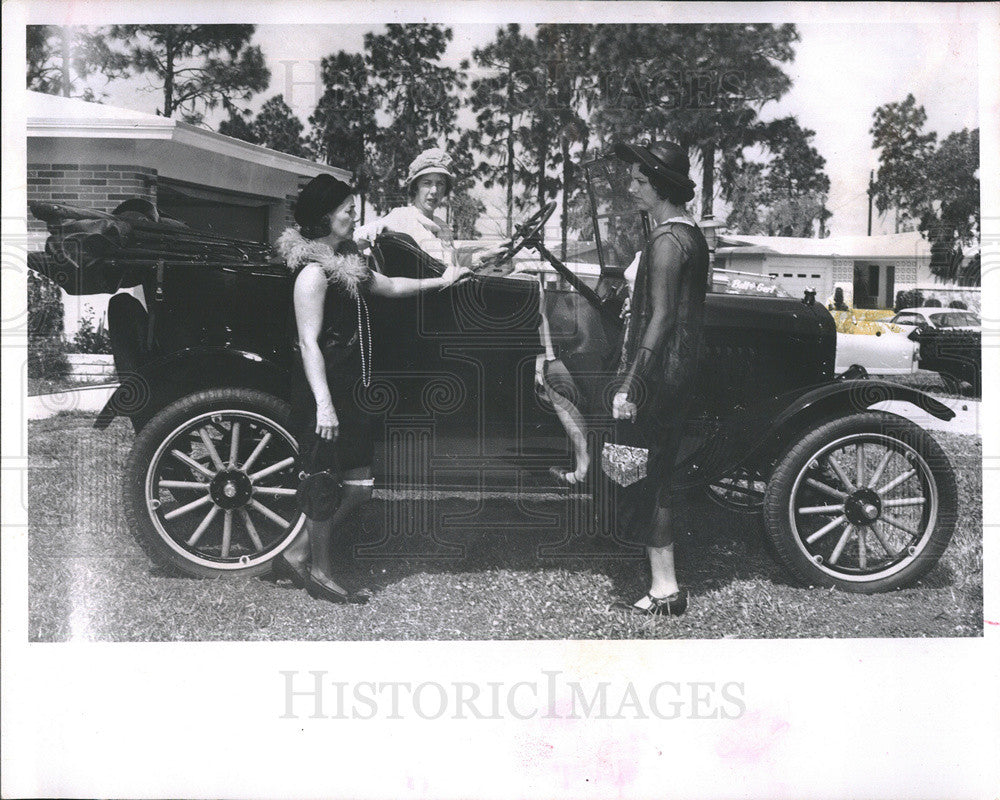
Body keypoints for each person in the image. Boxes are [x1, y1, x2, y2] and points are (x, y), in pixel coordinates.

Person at [274, 174, 469, 603]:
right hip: (326, 392)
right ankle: (321, 573)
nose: (353, 216)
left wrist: (442, 281)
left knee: (359, 489)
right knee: (326, 481)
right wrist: (324, 405)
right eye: (347, 209)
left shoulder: (348, 262)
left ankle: (296, 551)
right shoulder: (312, 274)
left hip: (352, 389)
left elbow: (390, 286)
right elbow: (307, 342)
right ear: (326, 215)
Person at [610, 141, 709, 616]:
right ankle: (663, 582)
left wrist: (631, 382)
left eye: (639, 181)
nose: (631, 188)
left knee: (649, 478)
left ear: (662, 187)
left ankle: (666, 588)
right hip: (680, 369)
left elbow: (662, 316)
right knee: (653, 473)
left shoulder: (667, 241)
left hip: (660, 374)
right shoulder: (689, 234)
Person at [356, 148, 503, 267]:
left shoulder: (442, 227)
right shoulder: (401, 217)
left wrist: (484, 256)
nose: (434, 191)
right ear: (415, 188)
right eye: (427, 183)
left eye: (440, 184)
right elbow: (358, 238)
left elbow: (449, 266)